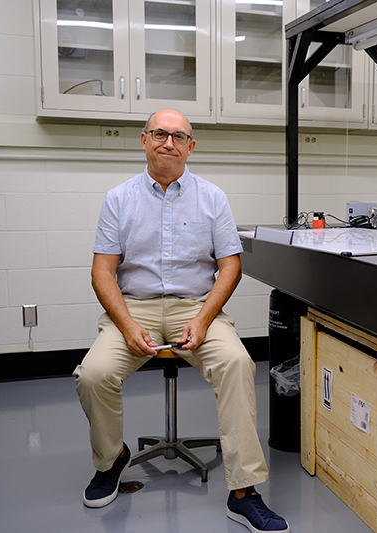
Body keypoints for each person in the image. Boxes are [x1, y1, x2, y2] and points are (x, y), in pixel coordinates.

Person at [73, 109, 289, 533]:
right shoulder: (119, 199)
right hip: (133, 309)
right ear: (143, 140)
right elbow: (102, 272)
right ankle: (112, 459)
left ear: (191, 146)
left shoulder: (212, 198)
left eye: (178, 136)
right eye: (159, 134)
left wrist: (206, 318)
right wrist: (129, 326)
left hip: (196, 307)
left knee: (237, 364)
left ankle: (243, 492)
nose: (167, 142)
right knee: (93, 375)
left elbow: (230, 267)